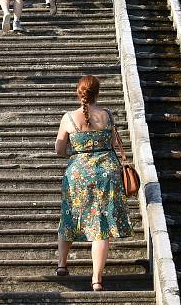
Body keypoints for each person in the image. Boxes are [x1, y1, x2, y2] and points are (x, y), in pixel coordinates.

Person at [54, 75, 133, 291]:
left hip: (78, 174)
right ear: (97, 93)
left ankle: (62, 265)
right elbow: (116, 143)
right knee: (101, 225)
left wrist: (76, 152)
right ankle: (96, 279)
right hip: (106, 174)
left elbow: (59, 149)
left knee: (69, 216)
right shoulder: (106, 115)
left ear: (78, 93)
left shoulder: (69, 118)